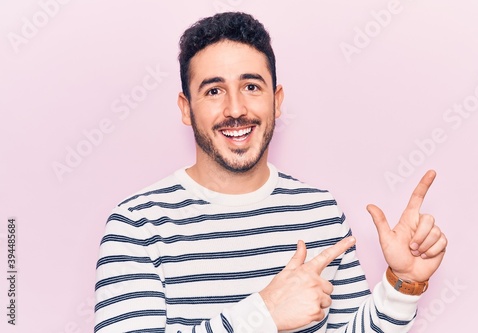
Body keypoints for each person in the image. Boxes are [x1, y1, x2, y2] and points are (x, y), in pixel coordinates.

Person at [94, 11, 447, 333]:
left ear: (276, 100)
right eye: (214, 90)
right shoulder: (137, 224)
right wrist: (263, 314)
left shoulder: (320, 211)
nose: (236, 109)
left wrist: (401, 285)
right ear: (186, 108)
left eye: (251, 86)